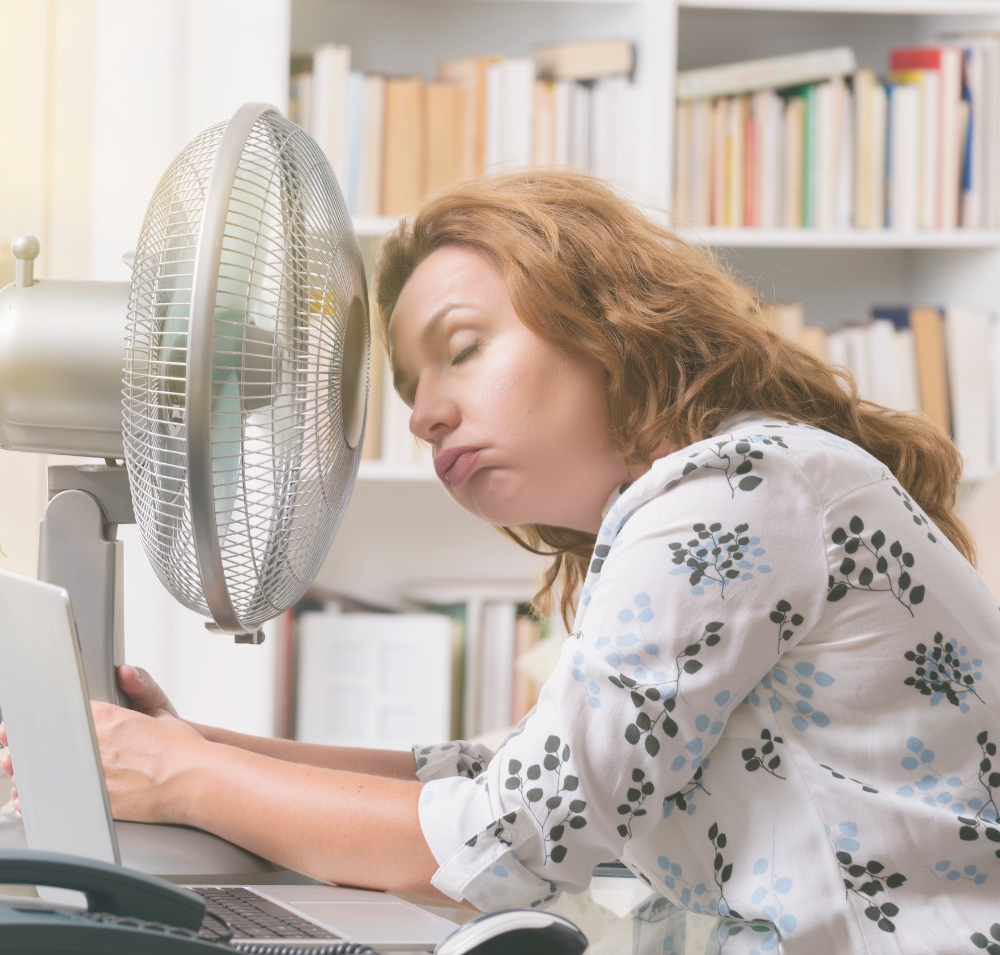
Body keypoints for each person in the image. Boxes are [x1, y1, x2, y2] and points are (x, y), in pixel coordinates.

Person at [3, 170, 998, 954]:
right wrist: (209, 751)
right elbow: (504, 766)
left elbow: (507, 837)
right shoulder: (739, 491)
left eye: (462, 347)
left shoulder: (734, 489)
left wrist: (181, 780)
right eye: (408, 383)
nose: (421, 410)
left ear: (605, 320)